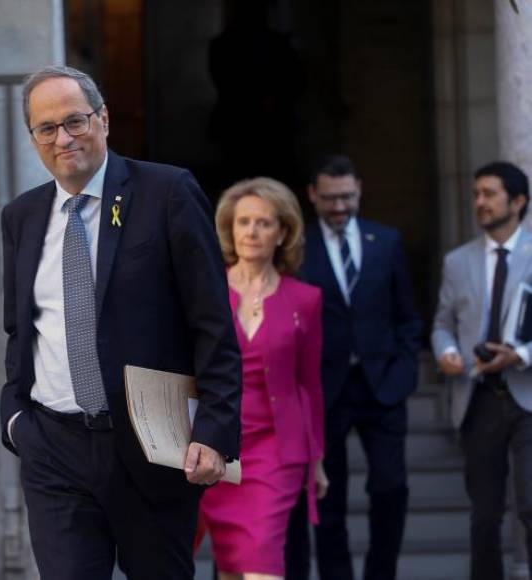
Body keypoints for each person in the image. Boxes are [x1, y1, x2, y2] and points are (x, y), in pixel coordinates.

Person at [0, 65, 241, 580]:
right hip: (53, 448)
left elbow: (212, 322)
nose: (63, 138)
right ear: (33, 138)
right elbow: (20, 330)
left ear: (103, 119)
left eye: (75, 121)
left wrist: (215, 429)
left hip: (150, 446)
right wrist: (16, 419)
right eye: (47, 128)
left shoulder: (167, 192)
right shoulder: (21, 217)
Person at [285, 154, 421, 580]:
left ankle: (381, 573)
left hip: (382, 385)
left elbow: (407, 316)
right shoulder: (298, 247)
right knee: (328, 496)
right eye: (330, 198)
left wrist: (405, 371)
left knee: (390, 486)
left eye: (347, 196)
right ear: (312, 195)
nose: (340, 206)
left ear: (359, 189)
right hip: (324, 389)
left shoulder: (387, 241)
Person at [197, 178, 328, 580]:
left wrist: (317, 461)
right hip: (214, 442)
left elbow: (310, 384)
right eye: (243, 222)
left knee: (262, 562)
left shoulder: (305, 299)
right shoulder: (205, 290)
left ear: (283, 233)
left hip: (275, 449)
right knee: (231, 567)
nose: (251, 232)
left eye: (264, 223)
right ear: (230, 229)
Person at [432, 161, 532, 580]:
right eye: (476, 194)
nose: (479, 202)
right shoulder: (458, 261)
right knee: (485, 515)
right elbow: (442, 323)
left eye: (489, 194)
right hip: (478, 398)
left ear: (518, 201)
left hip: (527, 397)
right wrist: (447, 351)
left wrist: (520, 355)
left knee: (531, 505)